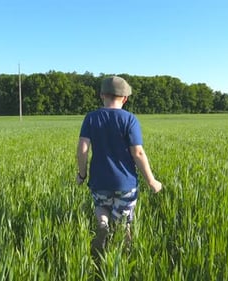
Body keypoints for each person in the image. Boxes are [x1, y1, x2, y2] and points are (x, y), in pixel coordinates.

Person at [76, 76, 162, 261]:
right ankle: (125, 258)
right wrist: (151, 181)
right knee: (124, 223)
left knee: (101, 206)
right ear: (125, 98)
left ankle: (102, 224)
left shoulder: (91, 118)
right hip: (125, 183)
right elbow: (137, 153)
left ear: (102, 95)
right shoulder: (129, 119)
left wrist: (82, 174)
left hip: (99, 181)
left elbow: (83, 149)